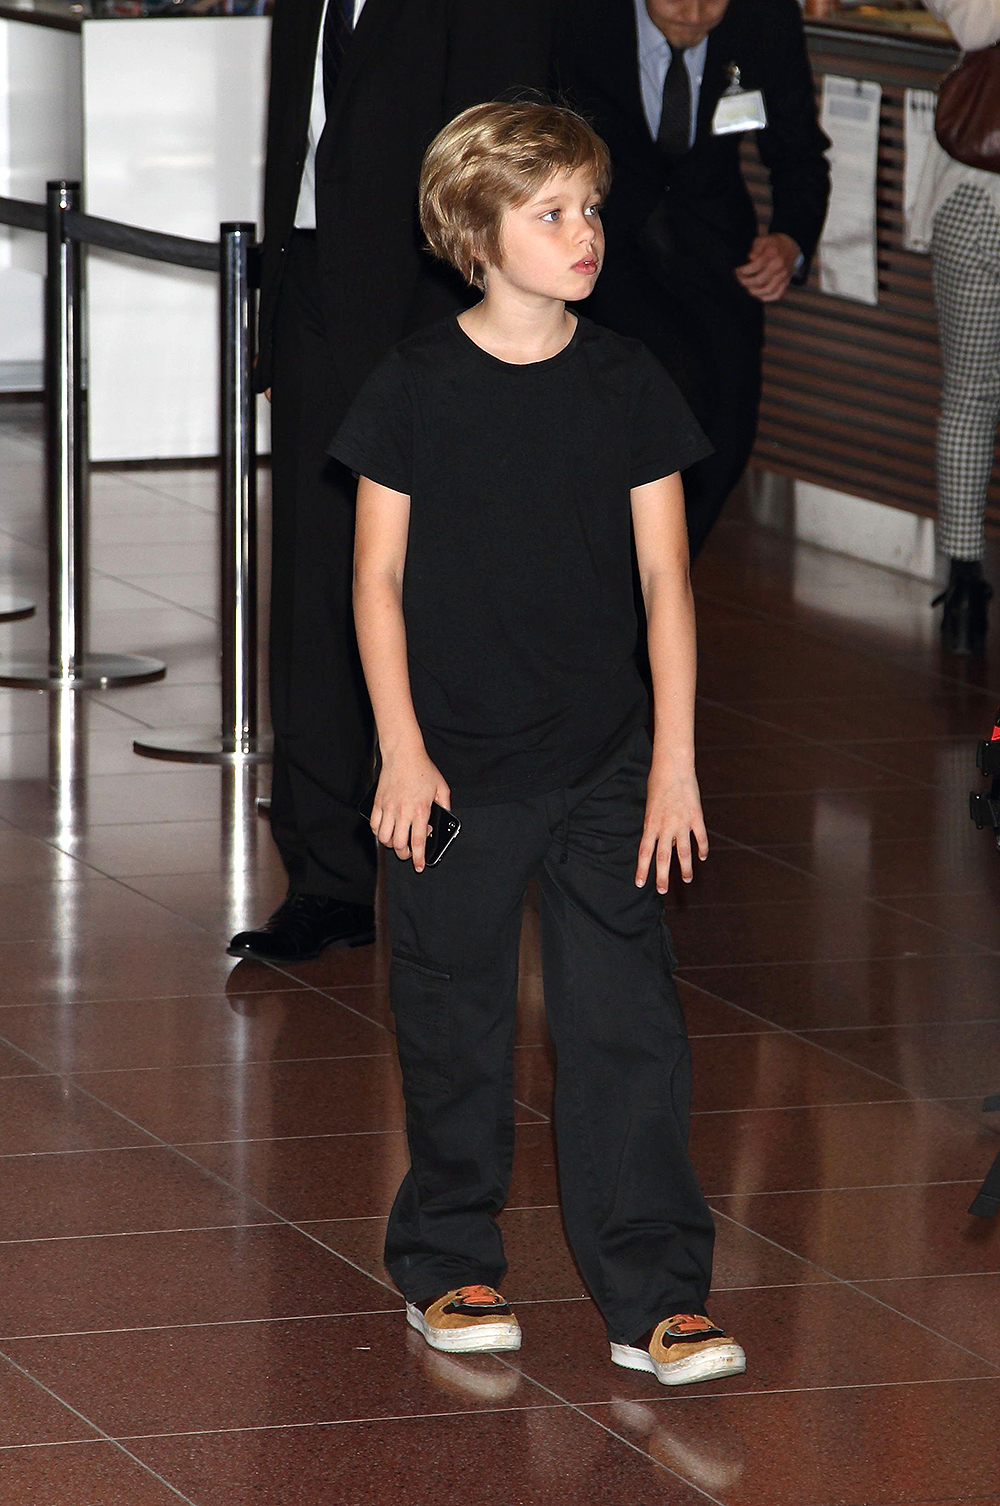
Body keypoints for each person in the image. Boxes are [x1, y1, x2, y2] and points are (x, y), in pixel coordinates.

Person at [331, 100, 746, 1385]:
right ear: (476, 231)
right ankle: (449, 1264)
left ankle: (654, 1296)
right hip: (453, 765)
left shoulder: (627, 380)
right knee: (452, 1019)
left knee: (627, 1026)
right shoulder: (412, 386)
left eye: (591, 210)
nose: (585, 235)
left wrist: (673, 758)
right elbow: (376, 584)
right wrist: (401, 752)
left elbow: (669, 584)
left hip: (603, 761)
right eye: (551, 213)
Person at [228, 0, 552, 964]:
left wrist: (480, 334)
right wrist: (280, 307)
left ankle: (456, 850)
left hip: (427, 307)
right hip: (318, 299)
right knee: (318, 589)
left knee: (439, 591)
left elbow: (504, 144)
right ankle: (323, 875)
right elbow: (298, 137)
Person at [554, 0, 830, 558]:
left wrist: (790, 241)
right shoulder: (578, 16)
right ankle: (622, 608)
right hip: (599, 245)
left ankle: (658, 588)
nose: (693, 11)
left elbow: (799, 152)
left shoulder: (764, 19)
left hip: (714, 247)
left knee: (726, 428)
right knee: (657, 399)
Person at [911, 0, 999, 656]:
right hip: (977, 196)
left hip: (972, 194)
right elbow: (973, 25)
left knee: (969, 396)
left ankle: (964, 584)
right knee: (971, 392)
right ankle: (964, 576)